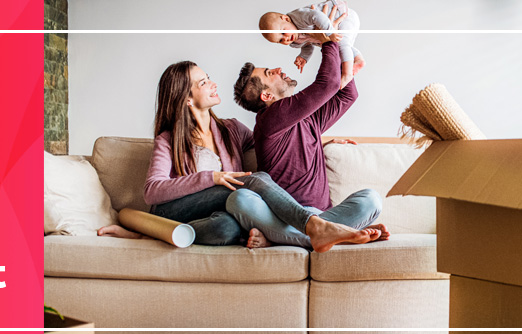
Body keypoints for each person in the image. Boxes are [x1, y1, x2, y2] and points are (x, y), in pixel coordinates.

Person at [98, 61, 375, 250]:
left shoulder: (231, 129)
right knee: (252, 181)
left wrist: (320, 141)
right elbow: (152, 191)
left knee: (227, 229)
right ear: (186, 97)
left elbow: (275, 141)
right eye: (204, 82)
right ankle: (314, 226)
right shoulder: (168, 140)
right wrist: (212, 178)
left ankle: (152, 236)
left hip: (219, 213)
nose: (213, 84)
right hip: (175, 210)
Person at [232, 21, 389, 253]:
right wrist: (327, 41)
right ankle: (334, 234)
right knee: (241, 199)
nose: (277, 69)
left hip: (325, 215)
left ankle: (297, 237)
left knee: (371, 199)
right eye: (269, 73)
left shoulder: (309, 120)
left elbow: (347, 95)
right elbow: (328, 85)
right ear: (266, 95)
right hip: (286, 218)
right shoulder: (269, 119)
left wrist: (340, 46)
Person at [258, 0, 364, 90]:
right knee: (343, 47)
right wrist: (304, 57)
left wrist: (330, 32)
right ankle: (358, 59)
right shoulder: (294, 42)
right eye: (280, 40)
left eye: (283, 32)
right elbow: (307, 45)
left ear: (286, 19)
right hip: (336, 27)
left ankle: (347, 74)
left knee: (342, 44)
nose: (285, 38)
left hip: (342, 16)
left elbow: (316, 16)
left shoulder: (298, 17)